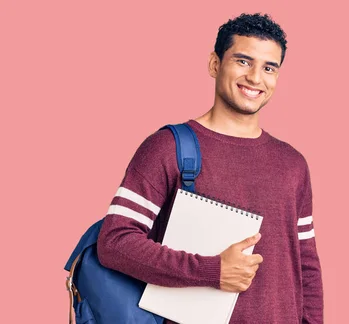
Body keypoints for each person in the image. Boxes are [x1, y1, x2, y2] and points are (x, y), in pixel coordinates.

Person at [96, 12, 324, 324]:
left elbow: (306, 266)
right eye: (243, 61)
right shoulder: (167, 148)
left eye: (268, 67)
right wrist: (212, 271)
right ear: (215, 64)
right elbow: (115, 243)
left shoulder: (292, 163)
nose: (256, 78)